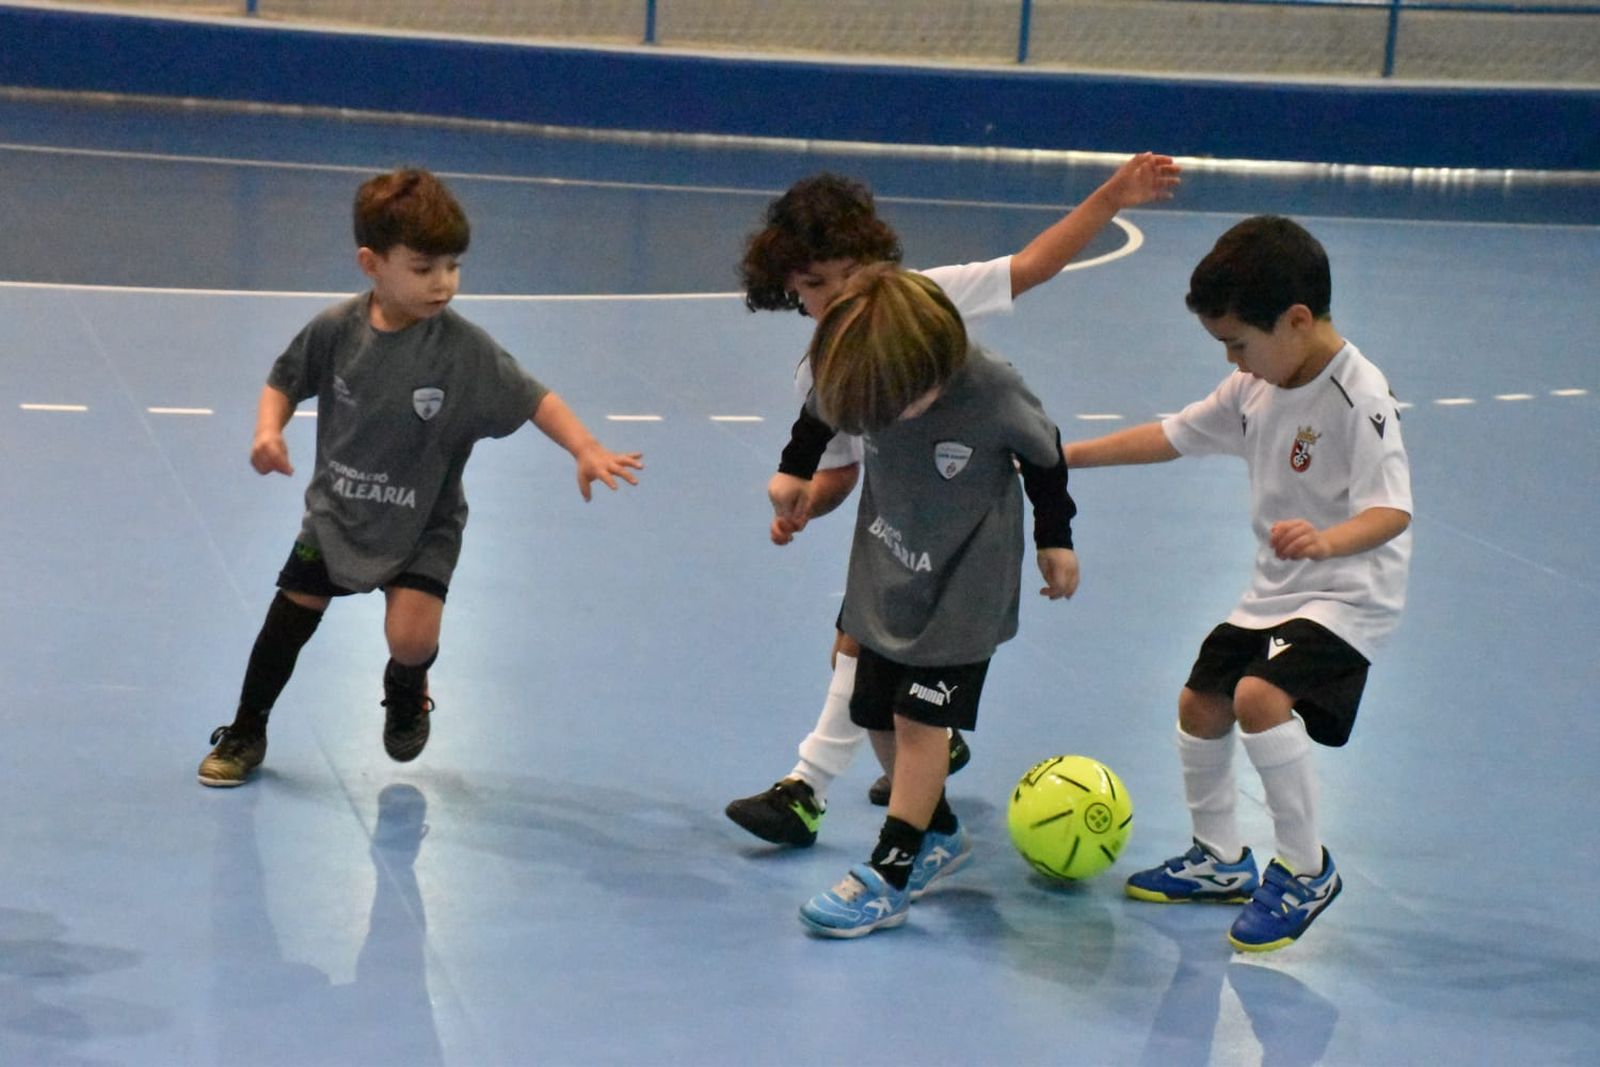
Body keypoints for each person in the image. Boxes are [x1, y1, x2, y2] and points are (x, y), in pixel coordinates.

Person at [726, 152, 1179, 846]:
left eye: (852, 276)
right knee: (865, 655)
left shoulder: (926, 300)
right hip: (895, 526)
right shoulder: (824, 369)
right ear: (790, 288)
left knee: (864, 645)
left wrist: (1112, 196)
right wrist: (801, 502)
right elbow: (838, 468)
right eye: (818, 285)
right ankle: (860, 780)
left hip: (962, 525)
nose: (842, 295)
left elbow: (1029, 267)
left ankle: (808, 786)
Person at [197, 168, 643, 787]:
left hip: (423, 522)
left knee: (409, 639)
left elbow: (535, 398)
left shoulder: (464, 349)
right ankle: (246, 729)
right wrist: (267, 431)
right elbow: (283, 381)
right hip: (339, 513)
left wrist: (586, 448)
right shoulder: (335, 330)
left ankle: (406, 684)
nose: (444, 283)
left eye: (453, 267)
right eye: (425, 267)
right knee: (288, 619)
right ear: (371, 264)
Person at [1065, 215, 1412, 952]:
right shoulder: (1256, 385)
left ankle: (1308, 869)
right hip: (1278, 590)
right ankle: (1221, 858)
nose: (1234, 361)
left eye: (1238, 344)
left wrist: (1326, 540)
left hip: (1350, 594)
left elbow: (1391, 509)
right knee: (1201, 701)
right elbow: (1173, 435)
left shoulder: (1361, 395)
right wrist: (1069, 458)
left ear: (1295, 320)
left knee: (1259, 697)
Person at [769, 263, 1079, 937]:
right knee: (872, 707)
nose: (881, 414)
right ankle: (936, 832)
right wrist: (795, 470)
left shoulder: (991, 387)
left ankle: (891, 871)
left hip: (966, 583)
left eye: (898, 403)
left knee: (918, 721)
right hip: (887, 564)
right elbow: (818, 413)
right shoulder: (865, 370)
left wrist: (1057, 539)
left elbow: (1048, 456)